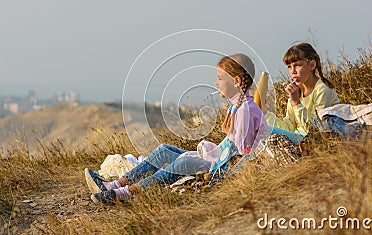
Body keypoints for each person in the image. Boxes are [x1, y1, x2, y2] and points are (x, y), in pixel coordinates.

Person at [85, 53, 269, 204]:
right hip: (219, 159)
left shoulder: (245, 110)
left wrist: (210, 153)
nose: (216, 83)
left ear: (236, 81)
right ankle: (114, 184)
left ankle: (123, 193)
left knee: (183, 163)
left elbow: (242, 153)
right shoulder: (236, 106)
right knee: (164, 150)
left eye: (220, 78)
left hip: (223, 168)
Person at [264, 42, 340, 144]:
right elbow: (288, 126)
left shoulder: (322, 89)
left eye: (297, 65)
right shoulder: (296, 91)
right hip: (298, 138)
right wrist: (264, 113)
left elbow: (314, 129)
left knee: (266, 132)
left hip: (314, 140)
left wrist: (296, 102)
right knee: (260, 129)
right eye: (289, 67)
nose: (293, 71)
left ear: (312, 65)